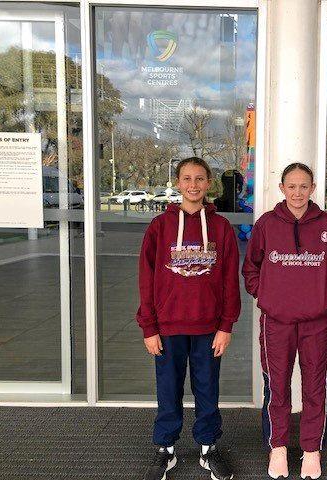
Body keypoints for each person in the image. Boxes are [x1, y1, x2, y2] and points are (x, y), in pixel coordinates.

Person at [242, 162, 327, 479]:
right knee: (277, 387)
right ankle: (278, 448)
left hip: (318, 322)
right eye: (292, 186)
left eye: (304, 186)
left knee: (315, 387)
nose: (298, 192)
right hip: (276, 321)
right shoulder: (266, 225)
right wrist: (264, 297)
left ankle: (310, 450)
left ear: (313, 188)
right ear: (282, 188)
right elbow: (251, 267)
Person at [136, 157, 240, 480]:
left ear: (208, 183)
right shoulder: (159, 227)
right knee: (168, 388)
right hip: (167, 328)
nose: (193, 185)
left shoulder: (221, 228)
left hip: (208, 327)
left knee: (207, 387)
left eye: (199, 179)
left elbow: (229, 280)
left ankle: (208, 447)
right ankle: (166, 448)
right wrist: (149, 327)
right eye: (186, 179)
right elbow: (146, 278)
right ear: (178, 183)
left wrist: (226, 325)